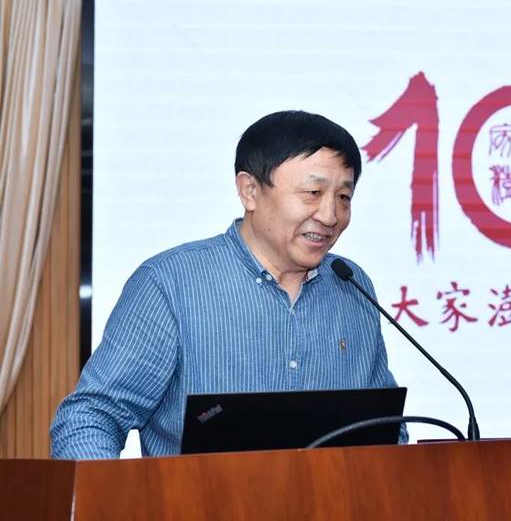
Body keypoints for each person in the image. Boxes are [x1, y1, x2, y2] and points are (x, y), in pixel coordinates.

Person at [50, 111, 405, 459]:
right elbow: (91, 418)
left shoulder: (351, 285)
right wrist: (109, 496)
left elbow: (385, 428)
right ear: (250, 191)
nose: (330, 216)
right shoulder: (171, 284)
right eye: (313, 192)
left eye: (343, 197)